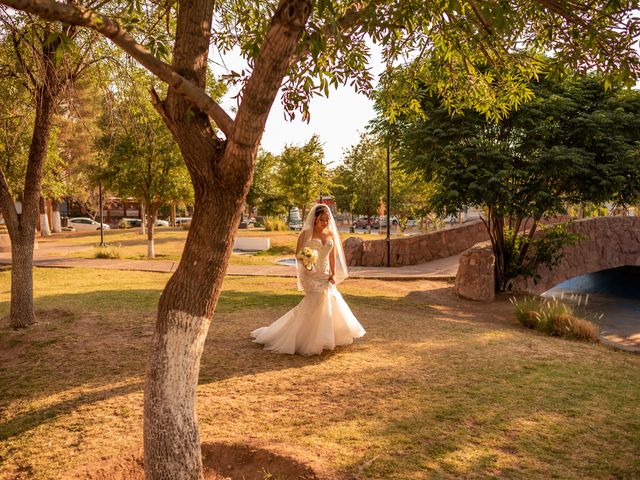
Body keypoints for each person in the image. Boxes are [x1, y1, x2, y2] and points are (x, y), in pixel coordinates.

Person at [251, 204, 365, 355]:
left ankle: (327, 336)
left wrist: (333, 273)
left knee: (329, 300)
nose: (325, 223)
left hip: (325, 274)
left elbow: (332, 255)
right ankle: (300, 338)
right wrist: (308, 265)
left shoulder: (330, 233)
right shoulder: (306, 234)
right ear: (315, 219)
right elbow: (298, 254)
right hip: (310, 273)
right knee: (317, 299)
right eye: (321, 220)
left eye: (327, 220)